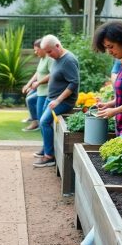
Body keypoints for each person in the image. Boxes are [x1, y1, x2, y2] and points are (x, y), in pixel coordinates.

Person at [34, 23, 122, 245]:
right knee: (116, 198)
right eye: (106, 48)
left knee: (117, 198)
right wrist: (111, 103)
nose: (109, 51)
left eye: (111, 46)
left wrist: (115, 111)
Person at [33, 34, 79, 167]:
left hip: (63, 101)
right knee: (43, 122)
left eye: (49, 51)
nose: (48, 55)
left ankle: (49, 156)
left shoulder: (68, 60)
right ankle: (46, 148)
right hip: (51, 98)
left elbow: (73, 83)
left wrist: (58, 100)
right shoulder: (57, 58)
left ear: (57, 46)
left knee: (44, 122)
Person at [21, 38, 54, 132]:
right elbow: (38, 73)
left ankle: (35, 122)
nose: (35, 52)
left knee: (30, 99)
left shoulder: (49, 59)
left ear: (43, 48)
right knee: (29, 97)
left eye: (36, 50)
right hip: (40, 89)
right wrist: (28, 85)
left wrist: (38, 83)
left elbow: (52, 74)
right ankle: (34, 120)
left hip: (47, 91)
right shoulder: (42, 59)